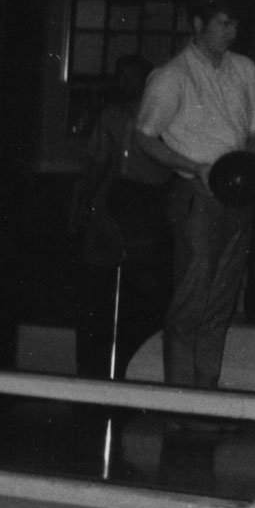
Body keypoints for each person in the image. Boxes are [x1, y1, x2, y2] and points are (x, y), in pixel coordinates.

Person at [132, 0, 255, 392]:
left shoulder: (245, 70)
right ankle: (181, 401)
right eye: (223, 23)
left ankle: (205, 398)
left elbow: (253, 129)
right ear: (198, 24)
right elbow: (146, 138)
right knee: (193, 300)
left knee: (221, 302)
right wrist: (194, 167)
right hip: (196, 197)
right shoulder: (172, 77)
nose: (232, 31)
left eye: (235, 23)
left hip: (239, 197)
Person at [71, 55, 175, 380]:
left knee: (146, 288)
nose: (126, 82)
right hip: (118, 201)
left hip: (154, 203)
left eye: (133, 76)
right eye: (121, 76)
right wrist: (80, 208)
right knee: (105, 287)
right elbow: (95, 164)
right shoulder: (111, 116)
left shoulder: (165, 117)